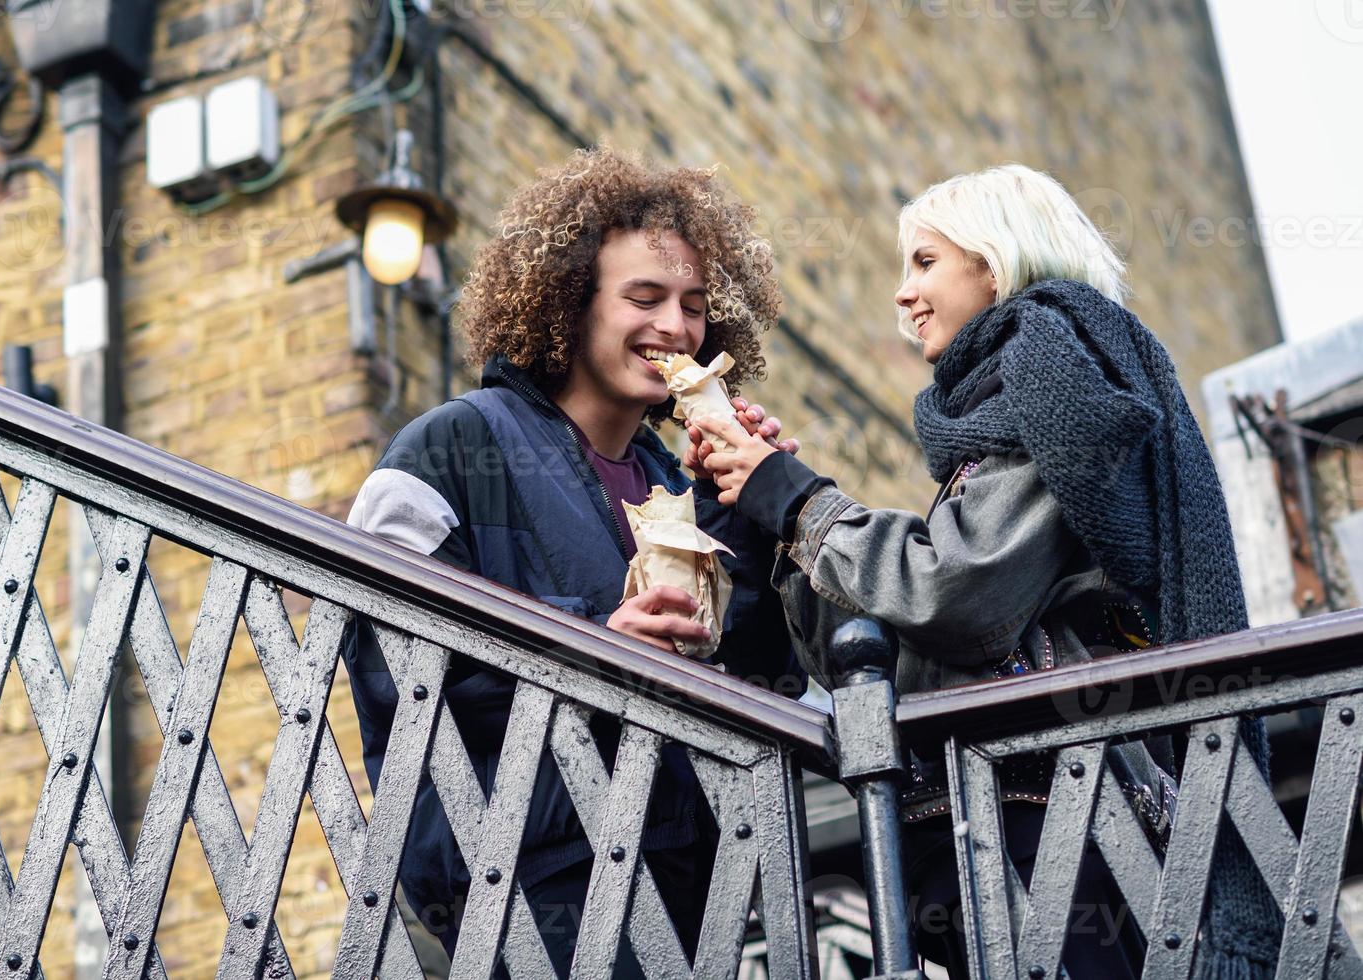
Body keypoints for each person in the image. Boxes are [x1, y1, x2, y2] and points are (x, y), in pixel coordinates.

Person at [693, 163, 1279, 979]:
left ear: (995, 263)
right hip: (1013, 811)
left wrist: (798, 501)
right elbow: (878, 646)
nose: (902, 294)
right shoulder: (1010, 405)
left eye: (925, 262)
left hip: (1061, 812)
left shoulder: (1048, 364)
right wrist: (769, 516)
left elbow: (960, 596)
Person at [342, 146, 804, 976]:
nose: (675, 328)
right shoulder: (454, 444)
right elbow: (393, 662)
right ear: (568, 304)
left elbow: (762, 675)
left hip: (688, 881)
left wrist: (754, 514)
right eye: (644, 297)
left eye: (695, 305)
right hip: (525, 872)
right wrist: (597, 650)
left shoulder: (677, 480)